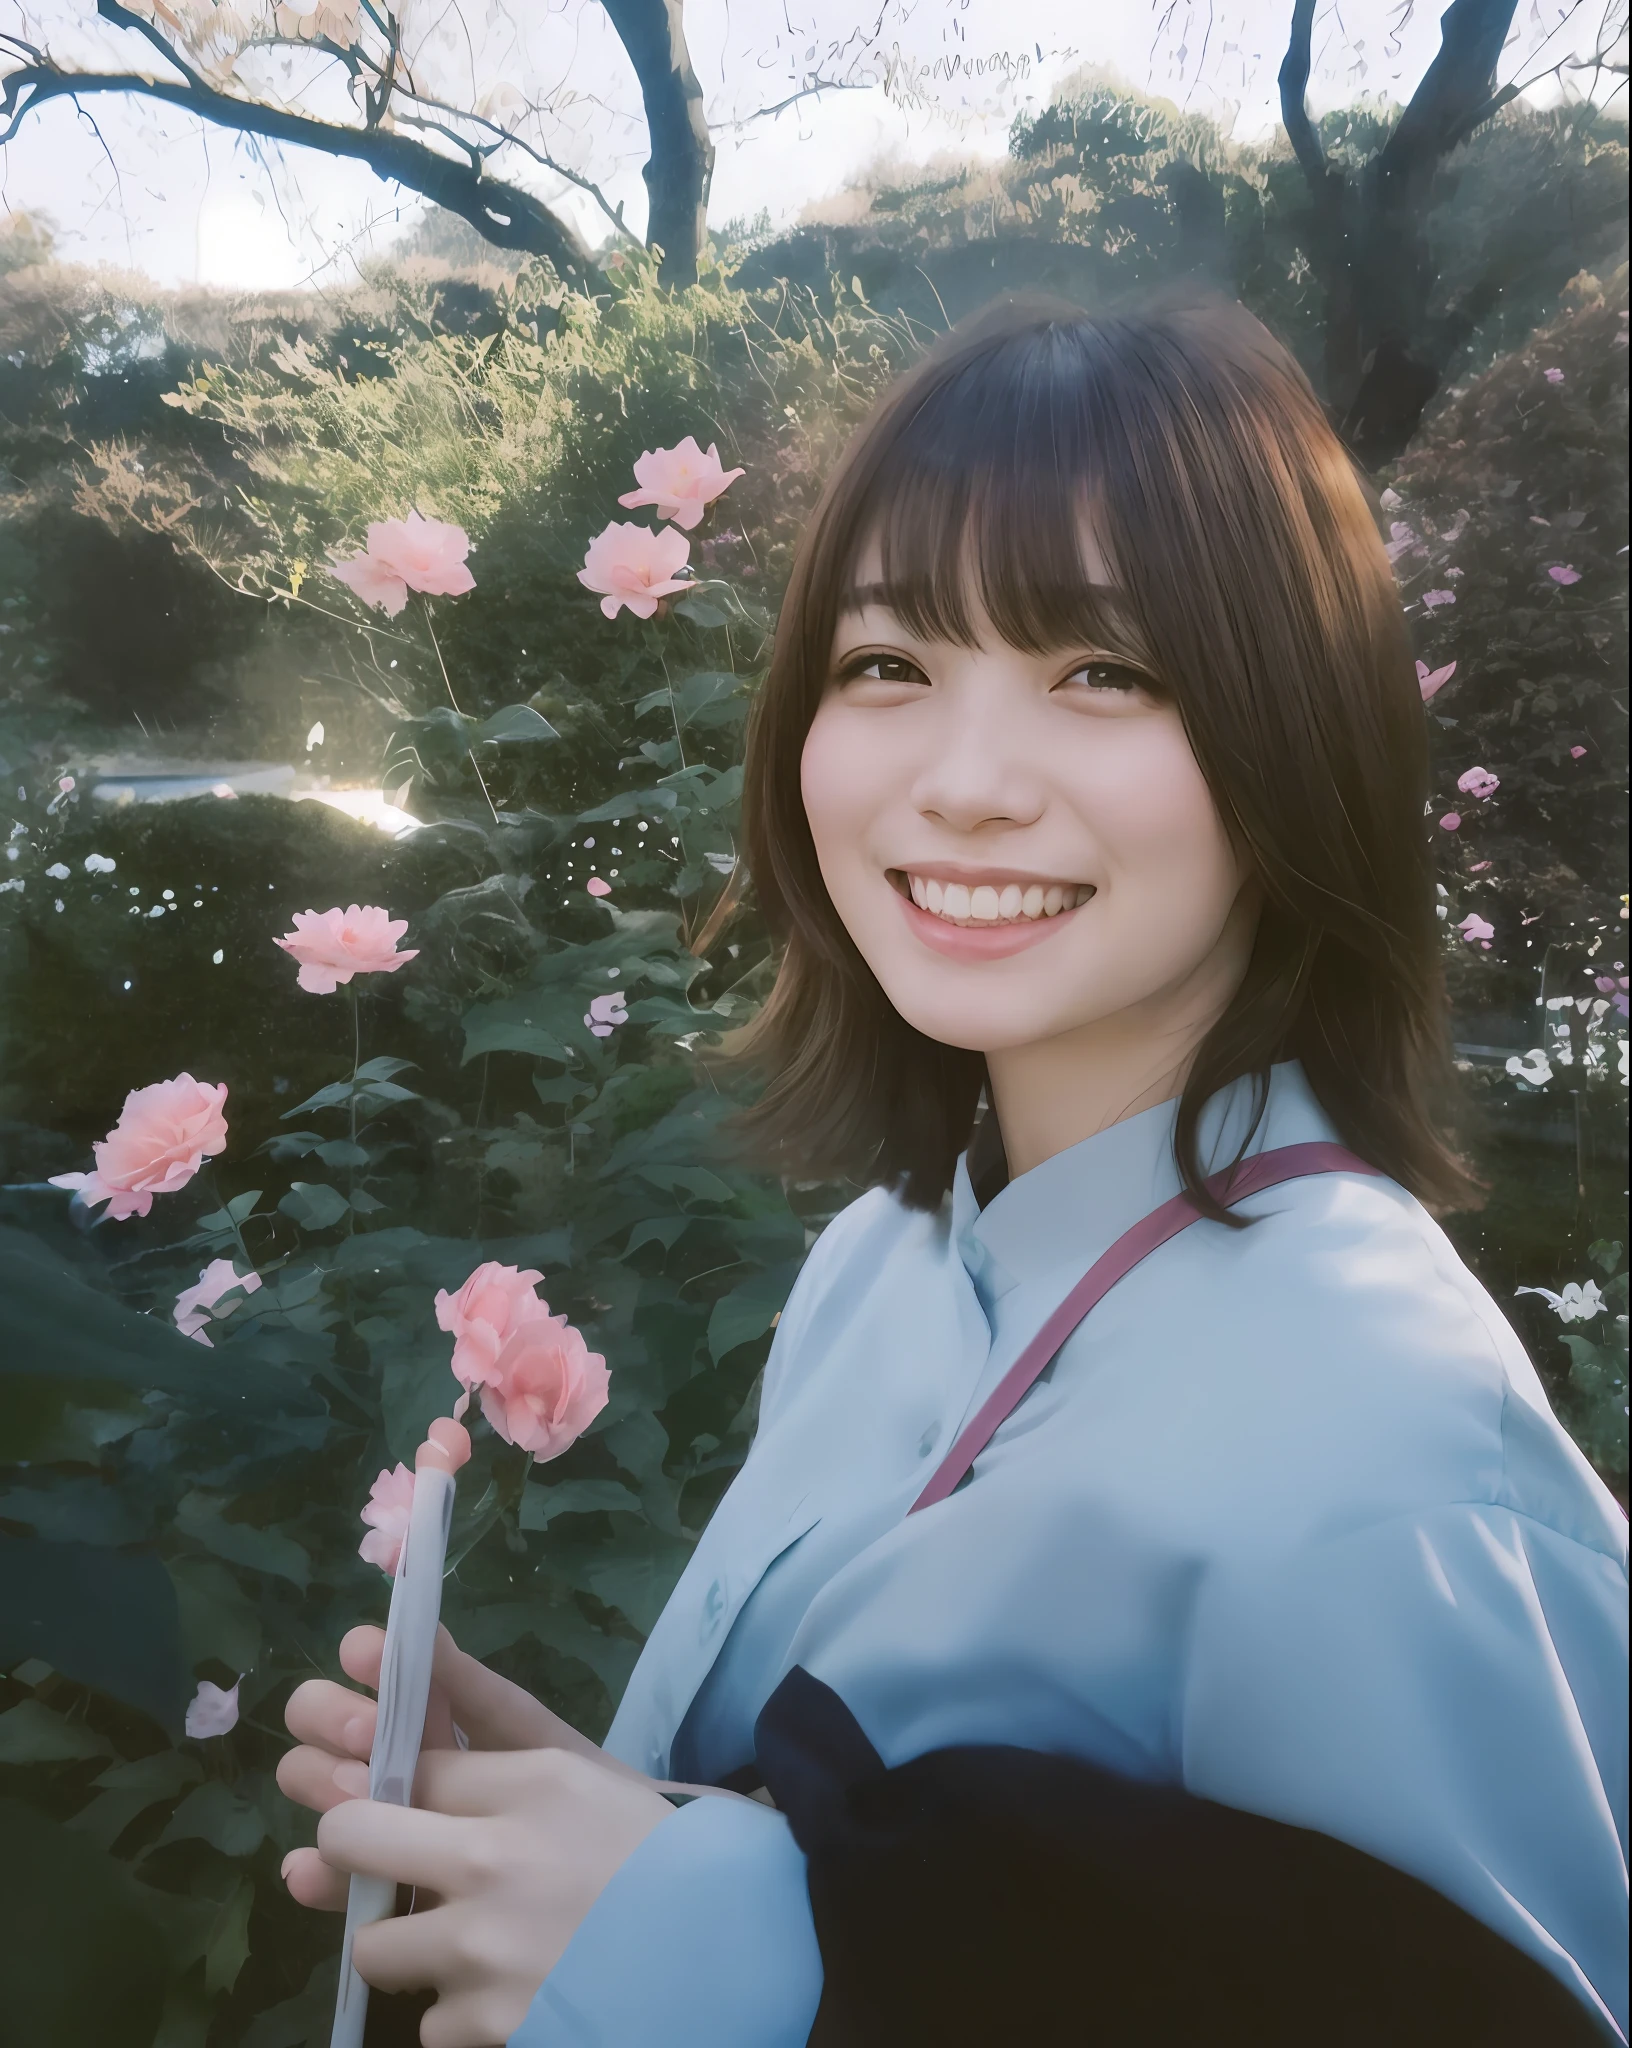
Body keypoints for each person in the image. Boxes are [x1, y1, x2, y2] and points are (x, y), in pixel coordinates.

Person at [278, 293, 1629, 2048]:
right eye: (888, 666)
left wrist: (749, 1958)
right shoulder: (887, 1256)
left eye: (1104, 673)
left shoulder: (1388, 1452)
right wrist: (613, 1836)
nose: (965, 783)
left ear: (1299, 733)